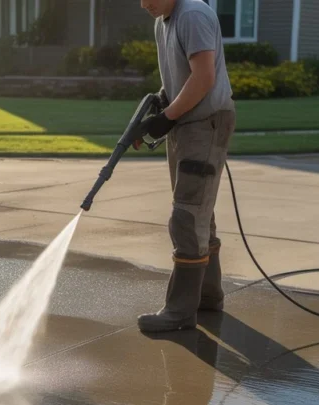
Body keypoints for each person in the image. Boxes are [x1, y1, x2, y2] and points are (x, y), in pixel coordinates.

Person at [133, 0, 237, 333]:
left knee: (186, 215)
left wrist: (166, 118)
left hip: (205, 123)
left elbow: (204, 76)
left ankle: (179, 312)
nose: (143, 3)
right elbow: (179, 79)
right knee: (199, 211)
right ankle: (208, 296)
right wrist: (160, 108)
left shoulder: (191, 14)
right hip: (186, 124)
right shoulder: (164, 20)